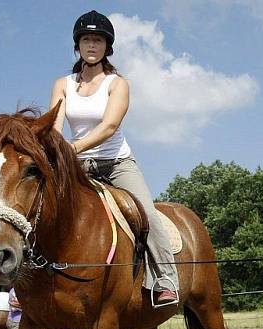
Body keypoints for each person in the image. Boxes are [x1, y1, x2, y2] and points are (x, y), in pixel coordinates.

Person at [48, 9, 179, 306]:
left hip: (116, 163)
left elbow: (109, 126)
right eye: (86, 40)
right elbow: (54, 125)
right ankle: (20, 285)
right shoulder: (62, 84)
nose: (92, 45)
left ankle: (165, 280)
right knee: (40, 206)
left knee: (147, 211)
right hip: (76, 166)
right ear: (77, 45)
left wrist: (74, 147)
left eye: (98, 40)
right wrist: (58, 148)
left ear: (107, 46)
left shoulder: (117, 83)